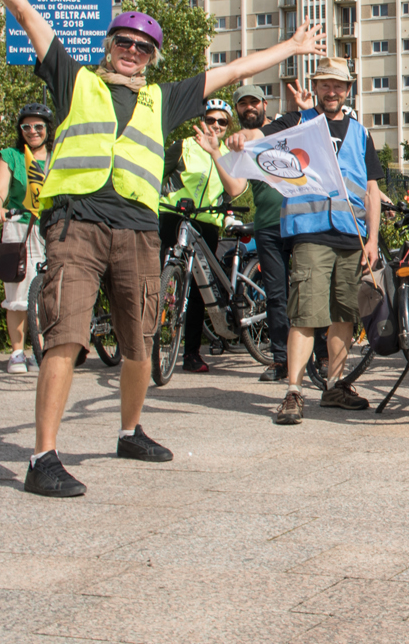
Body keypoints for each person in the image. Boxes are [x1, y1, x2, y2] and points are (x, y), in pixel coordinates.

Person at [0, 0, 324, 498]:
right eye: (123, 42)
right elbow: (22, 8)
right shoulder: (76, 80)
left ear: (151, 59)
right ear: (108, 46)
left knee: (140, 337)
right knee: (67, 335)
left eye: (141, 47)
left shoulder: (164, 99)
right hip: (76, 225)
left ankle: (130, 430)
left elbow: (232, 72)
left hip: (138, 229)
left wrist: (292, 44)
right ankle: (42, 456)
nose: (131, 51)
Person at [250, 63, 386, 424]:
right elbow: (258, 140)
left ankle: (334, 385)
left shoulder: (360, 132)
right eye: (325, 85)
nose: (331, 91)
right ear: (316, 86)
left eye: (338, 86)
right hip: (310, 232)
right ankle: (293, 391)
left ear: (347, 90)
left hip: (351, 235)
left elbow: (372, 188)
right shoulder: (299, 123)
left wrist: (372, 239)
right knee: (306, 314)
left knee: (344, 315)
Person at [158, 99, 244, 375]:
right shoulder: (183, 146)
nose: (216, 125)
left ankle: (191, 353)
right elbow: (156, 173)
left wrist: (217, 153)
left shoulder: (229, 153)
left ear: (228, 126)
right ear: (202, 120)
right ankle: (145, 345)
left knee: (197, 290)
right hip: (173, 215)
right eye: (211, 120)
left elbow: (234, 191)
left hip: (207, 221)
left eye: (222, 122)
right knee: (157, 276)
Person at [229, 91, 292, 382]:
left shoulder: (283, 128)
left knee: (308, 291)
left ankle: (320, 356)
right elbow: (235, 188)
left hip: (300, 222)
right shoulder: (241, 145)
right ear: (237, 109)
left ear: (266, 105)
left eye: (254, 102)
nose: (249, 107)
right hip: (267, 225)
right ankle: (282, 360)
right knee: (277, 296)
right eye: (243, 103)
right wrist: (216, 153)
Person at [0, 103, 53, 374]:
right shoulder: (11, 156)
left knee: (51, 290)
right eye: (26, 127)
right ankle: (17, 352)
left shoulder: (59, 156)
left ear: (49, 128)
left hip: (53, 225)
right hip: (20, 226)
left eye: (38, 126)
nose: (33, 131)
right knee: (17, 290)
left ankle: (43, 350)